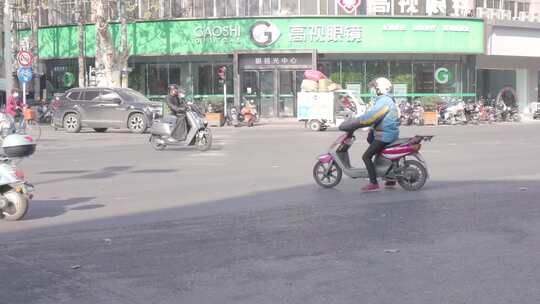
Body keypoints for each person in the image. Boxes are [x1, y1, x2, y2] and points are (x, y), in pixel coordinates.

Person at [339, 77, 400, 192]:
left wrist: (354, 123)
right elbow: (376, 117)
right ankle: (390, 177)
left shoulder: (384, 101)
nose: (372, 90)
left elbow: (371, 117)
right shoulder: (384, 100)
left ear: (380, 89)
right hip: (386, 133)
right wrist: (370, 129)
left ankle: (373, 183)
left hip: (385, 135)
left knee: (366, 156)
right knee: (378, 151)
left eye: (374, 88)